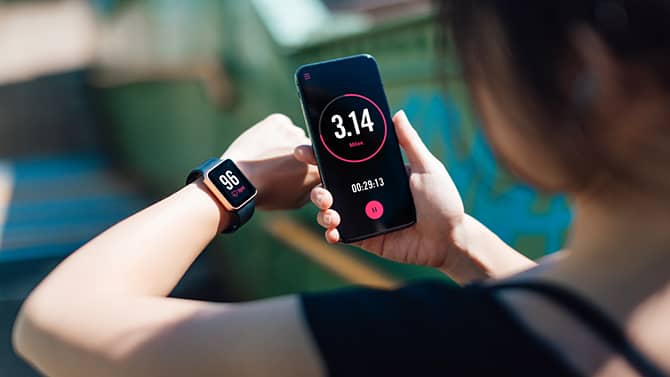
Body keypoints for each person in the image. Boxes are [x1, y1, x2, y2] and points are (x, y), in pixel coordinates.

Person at [11, 0, 670, 376]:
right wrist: (460, 244)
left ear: (580, 74)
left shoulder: (423, 346)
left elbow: (54, 321)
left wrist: (231, 181)